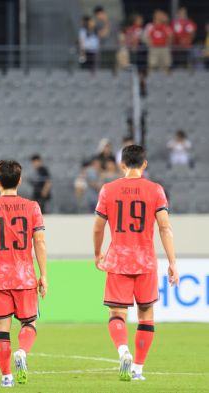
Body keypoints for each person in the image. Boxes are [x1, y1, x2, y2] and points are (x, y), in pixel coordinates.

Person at [92, 144, 178, 382]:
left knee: (116, 313)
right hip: (145, 261)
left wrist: (98, 253)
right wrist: (172, 262)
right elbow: (165, 227)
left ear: (122, 164)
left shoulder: (108, 189)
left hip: (118, 260)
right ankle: (138, 369)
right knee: (146, 314)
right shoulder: (156, 190)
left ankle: (123, 351)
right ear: (145, 164)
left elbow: (98, 227)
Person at [0, 160, 47, 388]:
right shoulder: (32, 207)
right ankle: (22, 352)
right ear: (20, 180)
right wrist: (44, 274)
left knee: (2, 329)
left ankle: (6, 377)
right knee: (30, 323)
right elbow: (39, 242)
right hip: (25, 276)